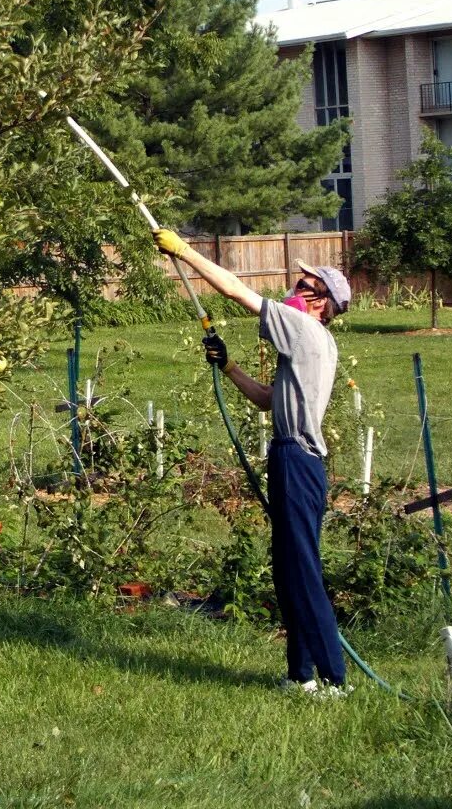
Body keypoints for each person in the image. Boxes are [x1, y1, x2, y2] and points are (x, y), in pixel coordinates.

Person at [153, 228, 353, 694]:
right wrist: (229, 368)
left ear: (322, 303)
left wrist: (184, 252)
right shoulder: (307, 344)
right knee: (289, 570)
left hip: (297, 460)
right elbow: (268, 399)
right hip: (293, 458)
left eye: (305, 286)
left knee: (301, 571)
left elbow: (234, 289)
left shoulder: (305, 329)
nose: (294, 287)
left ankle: (334, 679)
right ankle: (301, 676)